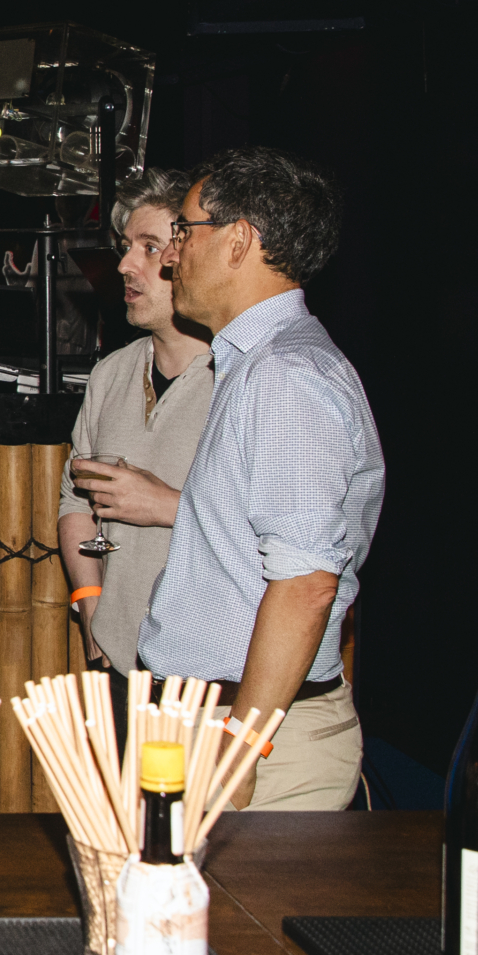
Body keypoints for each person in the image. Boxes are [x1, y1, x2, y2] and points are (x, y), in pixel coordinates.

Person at [139, 147, 381, 811]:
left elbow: (307, 584)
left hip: (253, 737)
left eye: (185, 230)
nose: (171, 255)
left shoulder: (284, 376)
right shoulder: (262, 364)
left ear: (239, 240)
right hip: (221, 721)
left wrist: (243, 744)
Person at [58, 170, 215, 697]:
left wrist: (165, 505)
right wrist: (89, 599)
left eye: (149, 248)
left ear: (192, 256)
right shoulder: (110, 374)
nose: (126, 265)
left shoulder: (242, 381)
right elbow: (74, 501)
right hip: (119, 667)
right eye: (126, 247)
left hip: (212, 683)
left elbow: (280, 541)